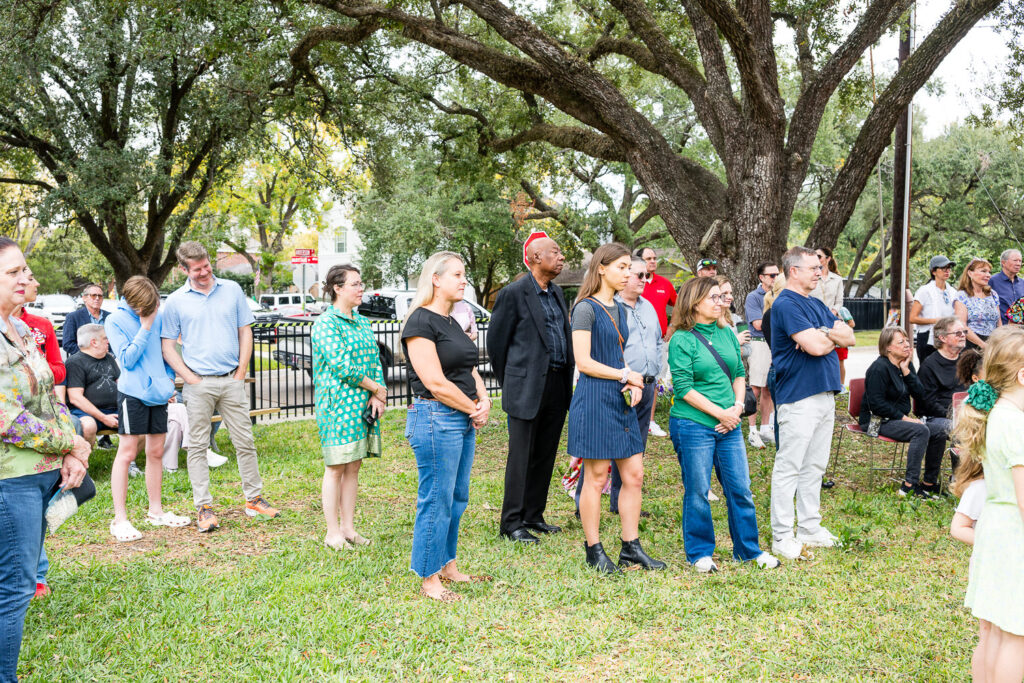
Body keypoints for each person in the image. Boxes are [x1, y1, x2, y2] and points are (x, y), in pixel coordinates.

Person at [0, 237, 91, 683]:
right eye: (12, 272)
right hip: (8, 479)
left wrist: (74, 445)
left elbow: (47, 396)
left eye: (24, 270)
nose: (24, 278)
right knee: (14, 590)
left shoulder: (19, 326)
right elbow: (7, 418)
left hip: (40, 474)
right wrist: (67, 443)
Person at [161, 241, 280, 533]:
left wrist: (240, 371)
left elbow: (245, 331)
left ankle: (254, 499)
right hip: (198, 384)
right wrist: (189, 378)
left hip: (231, 379)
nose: (204, 272)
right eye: (197, 269)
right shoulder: (176, 301)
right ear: (183, 269)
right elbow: (167, 345)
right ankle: (203, 506)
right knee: (197, 446)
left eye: (207, 266)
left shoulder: (232, 290)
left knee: (245, 441)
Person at [667, 277, 779, 572]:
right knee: (698, 490)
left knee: (740, 488)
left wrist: (738, 408)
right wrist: (721, 413)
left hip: (729, 423)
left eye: (721, 297)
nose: (720, 302)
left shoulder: (727, 333)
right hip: (694, 424)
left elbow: (739, 373)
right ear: (694, 303)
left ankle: (748, 550)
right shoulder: (681, 339)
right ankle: (700, 553)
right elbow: (683, 388)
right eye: (713, 298)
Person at [569, 243, 665, 574]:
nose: (629, 274)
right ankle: (594, 550)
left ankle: (630, 548)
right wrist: (624, 374)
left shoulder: (620, 309)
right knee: (595, 478)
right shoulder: (585, 308)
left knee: (633, 475)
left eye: (630, 268)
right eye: (622, 267)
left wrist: (631, 383)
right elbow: (584, 361)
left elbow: (617, 357)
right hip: (594, 399)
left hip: (619, 398)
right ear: (602, 269)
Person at [403, 251, 492, 602]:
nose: (464, 280)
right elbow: (435, 382)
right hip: (436, 419)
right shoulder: (420, 322)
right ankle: (428, 577)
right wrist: (472, 408)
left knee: (457, 497)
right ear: (435, 279)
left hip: (461, 418)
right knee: (436, 499)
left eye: (464, 274)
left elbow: (469, 369)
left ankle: (448, 565)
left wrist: (483, 400)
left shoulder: (453, 321)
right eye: (457, 274)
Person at [769, 246, 855, 560]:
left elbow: (850, 337)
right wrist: (827, 334)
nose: (819, 272)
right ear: (794, 271)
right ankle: (782, 535)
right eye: (813, 268)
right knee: (790, 466)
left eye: (820, 268)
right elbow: (817, 347)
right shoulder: (786, 304)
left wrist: (825, 332)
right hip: (798, 395)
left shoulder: (817, 303)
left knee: (815, 465)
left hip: (825, 393)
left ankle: (809, 527)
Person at [488, 238, 572, 543]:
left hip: (557, 384)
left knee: (545, 454)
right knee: (521, 456)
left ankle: (533, 515)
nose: (561, 257)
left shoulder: (557, 293)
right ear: (535, 257)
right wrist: (512, 381)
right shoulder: (513, 294)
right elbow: (497, 346)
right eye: (555, 252)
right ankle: (511, 523)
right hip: (525, 386)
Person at [952, 326, 1024, 682]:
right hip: (1015, 535)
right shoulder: (1017, 424)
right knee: (1016, 636)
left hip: (995, 530)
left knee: (994, 631)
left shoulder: (995, 415)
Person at [104, 277, 189, 541]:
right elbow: (127, 359)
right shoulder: (114, 320)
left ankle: (156, 511)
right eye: (146, 307)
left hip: (158, 395)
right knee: (127, 453)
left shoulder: (157, 313)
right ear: (133, 302)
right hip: (132, 394)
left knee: (155, 452)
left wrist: (166, 381)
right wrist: (145, 327)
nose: (151, 310)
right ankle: (120, 519)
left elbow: (166, 351)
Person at [311, 264, 385, 551]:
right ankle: (332, 533)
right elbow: (343, 367)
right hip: (337, 405)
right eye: (355, 284)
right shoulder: (326, 324)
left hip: (363, 404)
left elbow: (374, 361)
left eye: (361, 283)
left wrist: (379, 394)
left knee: (354, 465)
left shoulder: (362, 322)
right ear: (337, 288)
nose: (361, 288)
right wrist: (375, 387)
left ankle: (348, 528)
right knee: (336, 467)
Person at [861, 327, 948, 499]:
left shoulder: (905, 366)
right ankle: (908, 486)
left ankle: (929, 484)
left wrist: (907, 372)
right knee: (920, 430)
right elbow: (876, 404)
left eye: (907, 340)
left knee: (939, 430)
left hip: (895, 420)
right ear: (888, 348)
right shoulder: (879, 368)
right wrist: (905, 418)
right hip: (875, 421)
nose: (907, 345)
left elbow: (921, 396)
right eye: (901, 342)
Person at [949, 445, 988, 683]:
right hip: (989, 565)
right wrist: (992, 544)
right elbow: (957, 528)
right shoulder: (980, 488)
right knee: (989, 635)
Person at [636, 246, 677, 437]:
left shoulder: (665, 284)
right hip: (635, 341)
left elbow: (679, 305)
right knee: (635, 378)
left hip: (658, 341)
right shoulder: (633, 282)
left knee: (653, 380)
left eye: (654, 258)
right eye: (648, 258)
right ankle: (632, 418)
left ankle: (650, 421)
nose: (653, 261)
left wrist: (672, 326)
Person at [743, 261, 780, 448]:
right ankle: (752, 430)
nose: (776, 278)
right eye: (772, 275)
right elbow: (758, 324)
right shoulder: (754, 297)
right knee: (756, 387)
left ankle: (765, 428)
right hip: (759, 343)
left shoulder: (779, 294)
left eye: (777, 274)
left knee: (769, 388)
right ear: (762, 277)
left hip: (773, 343)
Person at [66, 324, 120, 446]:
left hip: (115, 409)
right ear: (94, 342)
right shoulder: (74, 362)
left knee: (138, 420)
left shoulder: (109, 358)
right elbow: (76, 398)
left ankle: (127, 462)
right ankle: (84, 462)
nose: (108, 341)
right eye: (105, 338)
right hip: (85, 412)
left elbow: (121, 384)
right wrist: (104, 418)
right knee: (88, 426)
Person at [917, 316, 968, 443]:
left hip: (966, 413)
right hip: (937, 417)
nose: (963, 335)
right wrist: (955, 416)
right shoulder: (929, 366)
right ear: (942, 338)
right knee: (960, 429)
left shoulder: (967, 360)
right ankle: (959, 463)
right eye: (958, 333)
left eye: (964, 332)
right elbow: (928, 403)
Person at [811, 247, 853, 388]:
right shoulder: (812, 277)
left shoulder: (837, 279)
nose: (817, 259)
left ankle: (840, 386)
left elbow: (839, 301)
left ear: (828, 258)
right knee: (819, 353)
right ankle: (821, 383)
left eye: (819, 256)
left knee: (839, 357)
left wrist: (832, 313)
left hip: (833, 320)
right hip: (815, 321)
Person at [910, 256, 957, 364]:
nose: (947, 271)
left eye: (949, 268)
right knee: (928, 372)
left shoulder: (953, 291)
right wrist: (936, 321)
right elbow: (912, 318)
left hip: (948, 336)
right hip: (927, 336)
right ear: (934, 271)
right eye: (943, 268)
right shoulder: (924, 291)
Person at [954, 257, 1001, 350]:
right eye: (983, 271)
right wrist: (982, 345)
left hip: (993, 344)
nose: (988, 275)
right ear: (970, 273)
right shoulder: (962, 296)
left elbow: (999, 322)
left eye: (989, 272)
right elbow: (961, 326)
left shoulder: (993, 294)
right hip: (971, 346)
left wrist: (1000, 341)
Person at [62, 282, 109, 356]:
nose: (97, 298)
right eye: (93, 295)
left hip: (107, 360)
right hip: (83, 363)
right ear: (84, 298)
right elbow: (68, 344)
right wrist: (91, 353)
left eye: (100, 296)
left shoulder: (109, 317)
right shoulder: (73, 317)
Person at [988, 248, 1024, 322]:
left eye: (1020, 261)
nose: (1018, 264)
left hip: (1020, 329)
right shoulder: (992, 281)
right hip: (1002, 329)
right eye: (1015, 260)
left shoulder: (1022, 283)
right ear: (1003, 263)